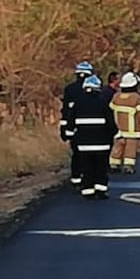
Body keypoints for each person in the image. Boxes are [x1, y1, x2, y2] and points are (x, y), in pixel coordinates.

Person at [71, 75, 116, 200]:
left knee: (87, 167)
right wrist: (113, 134)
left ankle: (88, 191)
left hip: (84, 144)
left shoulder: (78, 103)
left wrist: (71, 135)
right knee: (101, 167)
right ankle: (100, 190)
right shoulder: (103, 102)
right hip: (102, 143)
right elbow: (110, 122)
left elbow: (71, 121)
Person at [59, 61, 94, 191]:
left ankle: (76, 179)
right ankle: (87, 178)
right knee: (89, 154)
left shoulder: (69, 89)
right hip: (90, 129)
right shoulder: (92, 89)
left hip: (74, 128)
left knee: (77, 154)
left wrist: (64, 129)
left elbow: (65, 111)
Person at [109, 71, 140, 174]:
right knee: (130, 149)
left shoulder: (116, 97)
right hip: (132, 131)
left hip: (117, 129)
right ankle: (128, 166)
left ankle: (114, 164)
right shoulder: (137, 99)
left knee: (117, 147)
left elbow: (110, 110)